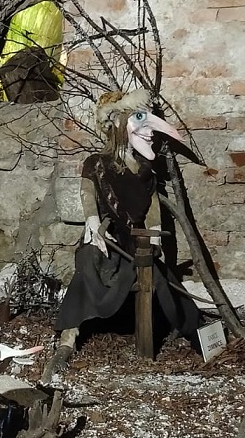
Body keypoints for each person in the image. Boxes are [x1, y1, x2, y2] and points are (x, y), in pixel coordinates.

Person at [48, 88, 200, 371]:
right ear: (118, 124)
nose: (150, 133)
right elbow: (87, 195)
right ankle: (70, 334)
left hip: (136, 241)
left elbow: (153, 208)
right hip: (107, 237)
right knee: (88, 262)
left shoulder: (146, 172)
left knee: (156, 275)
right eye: (140, 121)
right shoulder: (97, 164)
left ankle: (189, 328)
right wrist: (93, 224)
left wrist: (155, 237)